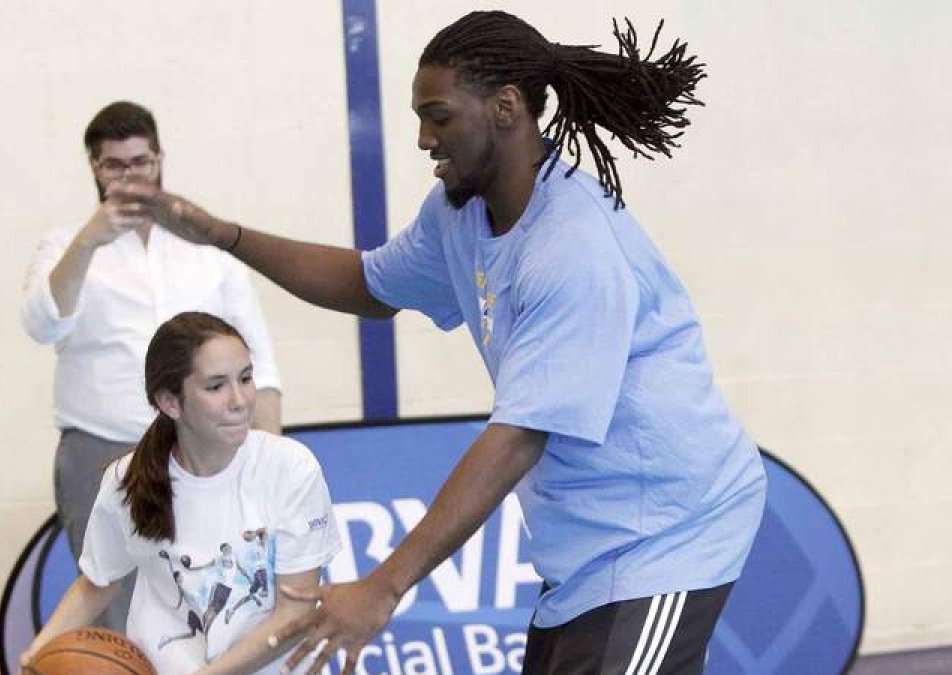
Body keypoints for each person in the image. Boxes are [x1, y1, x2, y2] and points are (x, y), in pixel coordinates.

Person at [109, 11, 768, 675]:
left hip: (667, 528)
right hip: (586, 543)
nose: (424, 137)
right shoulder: (460, 211)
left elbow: (516, 436)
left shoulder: (573, 248)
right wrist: (223, 234)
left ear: (506, 107)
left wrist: (385, 583)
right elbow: (367, 283)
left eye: (439, 116)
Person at [20, 101, 283, 629]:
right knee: (116, 605)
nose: (130, 176)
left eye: (140, 162)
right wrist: (89, 241)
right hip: (102, 445)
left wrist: (267, 459)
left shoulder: (206, 247)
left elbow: (261, 360)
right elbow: (42, 323)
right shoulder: (65, 246)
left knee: (214, 600)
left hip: (202, 449)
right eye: (115, 165)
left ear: (160, 159)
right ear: (95, 168)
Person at [21, 312, 340, 675]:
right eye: (216, 386)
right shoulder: (127, 480)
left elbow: (294, 612)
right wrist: (37, 654)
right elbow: (97, 583)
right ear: (170, 402)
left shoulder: (290, 468)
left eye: (246, 378)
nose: (239, 400)